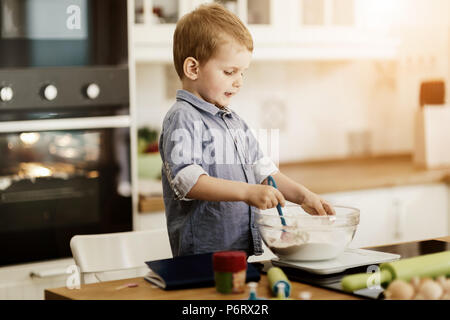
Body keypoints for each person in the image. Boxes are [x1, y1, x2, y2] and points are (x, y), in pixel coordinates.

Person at [159, 3, 335, 257]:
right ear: (193, 69)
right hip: (203, 257)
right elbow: (187, 181)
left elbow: (263, 172)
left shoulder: (233, 121)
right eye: (230, 71)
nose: (238, 81)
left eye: (243, 72)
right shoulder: (183, 117)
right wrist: (248, 192)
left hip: (238, 252)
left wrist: (304, 196)